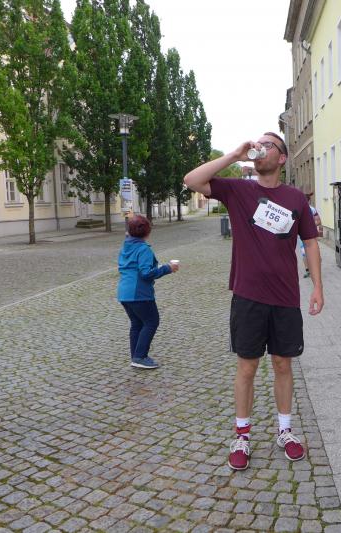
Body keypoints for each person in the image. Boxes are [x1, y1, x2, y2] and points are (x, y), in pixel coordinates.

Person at [183, 132, 324, 471]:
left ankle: (285, 431)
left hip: (285, 296)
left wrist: (318, 287)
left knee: (282, 365)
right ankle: (242, 435)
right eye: (258, 144)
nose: (260, 148)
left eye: (268, 145)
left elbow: (310, 242)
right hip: (248, 296)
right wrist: (235, 155)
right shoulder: (239, 190)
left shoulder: (295, 198)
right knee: (247, 367)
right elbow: (192, 180)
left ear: (282, 158)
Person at [117, 215, 179, 369]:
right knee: (151, 322)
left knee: (137, 323)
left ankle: (136, 356)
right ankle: (140, 357)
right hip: (139, 293)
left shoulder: (126, 246)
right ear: (147, 232)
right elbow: (146, 273)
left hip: (124, 293)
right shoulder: (143, 249)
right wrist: (167, 268)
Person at [300, 192, 322, 278]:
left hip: (311, 235)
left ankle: (315, 269)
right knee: (304, 252)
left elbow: (318, 221)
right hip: (302, 235)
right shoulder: (299, 208)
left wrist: (310, 226)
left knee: (313, 252)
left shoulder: (312, 209)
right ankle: (308, 271)